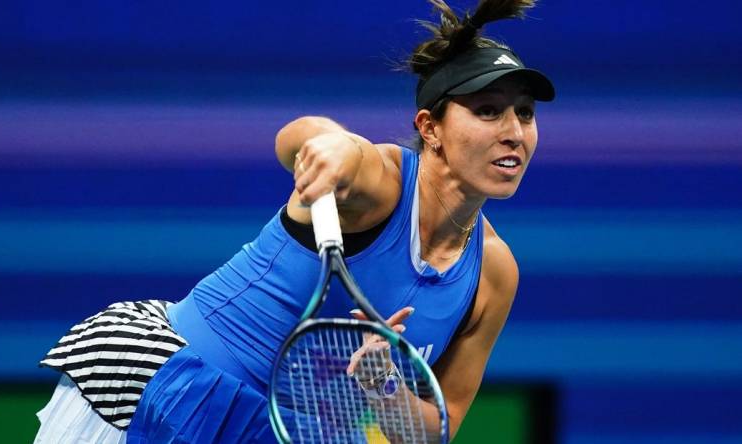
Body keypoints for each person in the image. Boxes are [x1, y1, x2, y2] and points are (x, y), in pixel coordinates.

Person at [34, 0, 555, 442]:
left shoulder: (492, 274)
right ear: (430, 128)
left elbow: (432, 430)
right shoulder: (382, 184)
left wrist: (385, 385)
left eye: (525, 114)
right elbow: (308, 137)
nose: (514, 132)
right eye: (488, 111)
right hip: (162, 385)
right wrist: (325, 145)